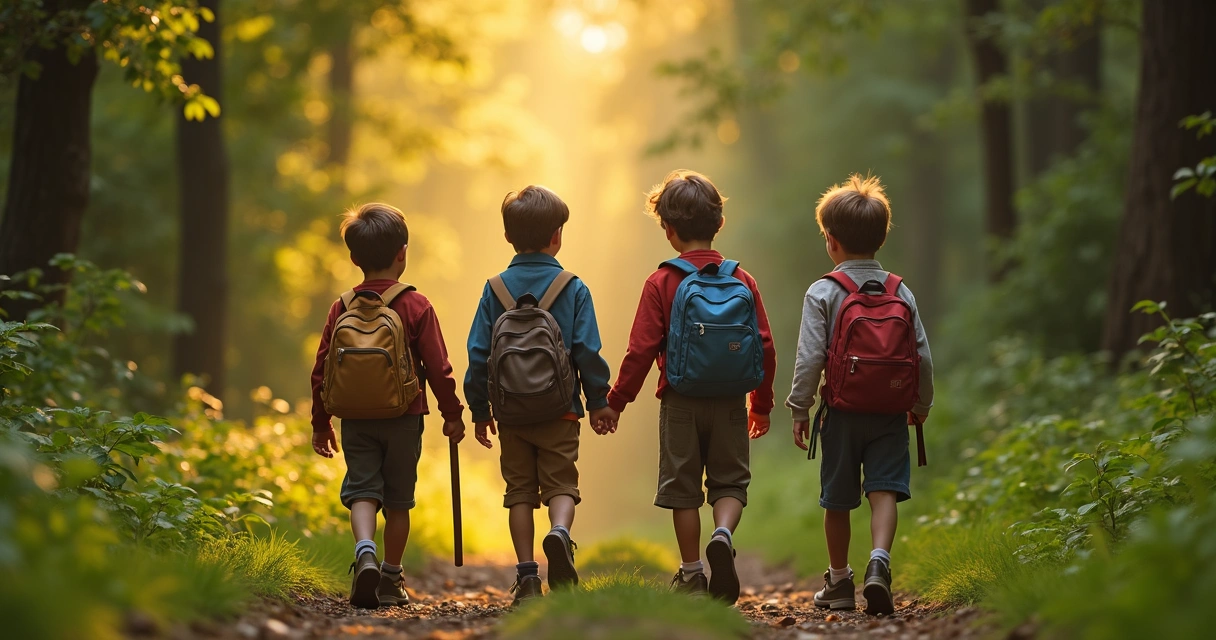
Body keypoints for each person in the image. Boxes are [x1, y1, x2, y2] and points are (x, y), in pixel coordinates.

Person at [598, 170, 777, 603]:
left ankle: (693, 571)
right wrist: (762, 404)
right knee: (730, 483)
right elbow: (765, 346)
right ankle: (722, 533)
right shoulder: (742, 279)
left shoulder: (661, 281)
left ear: (669, 230)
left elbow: (640, 350)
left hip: (680, 400)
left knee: (682, 489)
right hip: (732, 400)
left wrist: (615, 402)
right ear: (719, 224)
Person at [786, 174, 934, 615]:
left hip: (842, 412)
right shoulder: (900, 291)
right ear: (881, 237)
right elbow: (922, 357)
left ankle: (838, 581)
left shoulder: (823, 291)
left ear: (831, 241)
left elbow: (810, 357)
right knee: (884, 489)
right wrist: (920, 405)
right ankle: (879, 563)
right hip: (890, 410)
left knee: (838, 498)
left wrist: (799, 407)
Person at [310, 203, 466, 609]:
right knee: (398, 500)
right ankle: (391, 578)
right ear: (403, 252)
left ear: (353, 258)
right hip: (404, 416)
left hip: (355, 418)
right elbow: (439, 367)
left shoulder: (342, 306)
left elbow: (322, 367)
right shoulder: (416, 305)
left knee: (362, 490)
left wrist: (320, 422)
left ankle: (365, 550)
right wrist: (453, 415)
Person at [464, 185, 615, 605]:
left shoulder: (494, 289)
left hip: (511, 413)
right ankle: (561, 533)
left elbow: (478, 353)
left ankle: (527, 576)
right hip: (560, 409)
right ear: (557, 236)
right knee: (561, 484)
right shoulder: (573, 287)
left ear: (509, 237)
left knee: (519, 493)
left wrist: (480, 409)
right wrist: (599, 400)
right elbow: (587, 350)